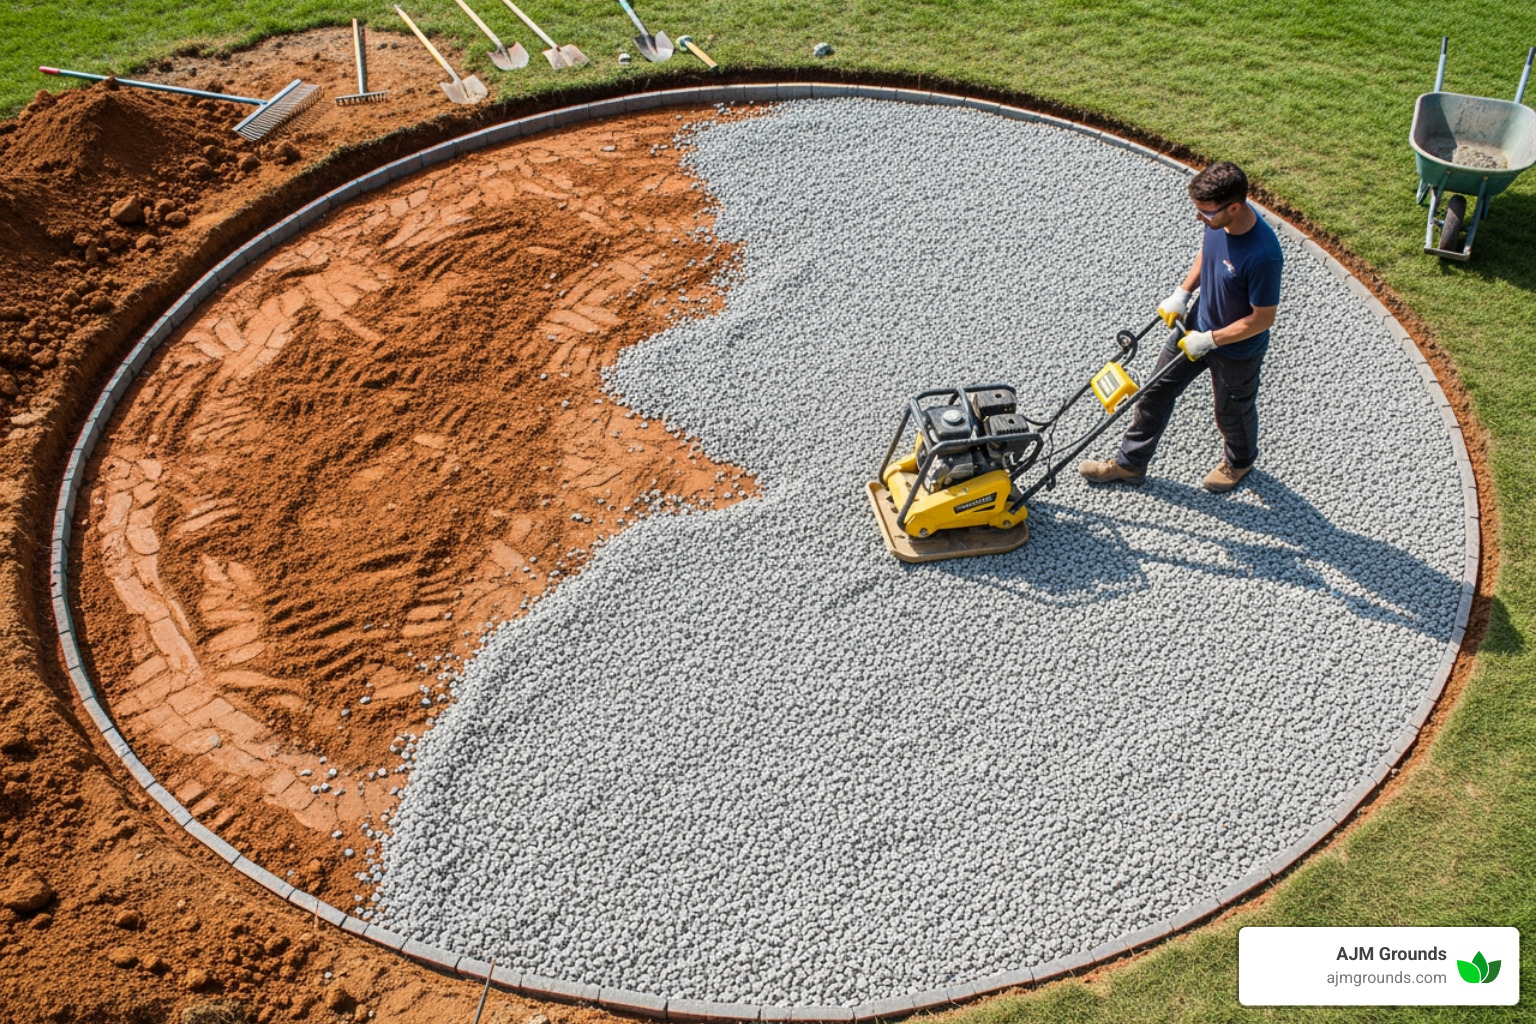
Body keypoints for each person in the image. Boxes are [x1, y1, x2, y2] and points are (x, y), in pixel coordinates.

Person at [1079, 161, 1283, 493]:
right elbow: (1207, 254)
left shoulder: (1263, 255)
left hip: (1236, 350)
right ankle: (1130, 465)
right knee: (1152, 394)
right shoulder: (1219, 224)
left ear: (1233, 207)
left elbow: (1263, 319)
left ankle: (1240, 461)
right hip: (1193, 328)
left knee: (1231, 412)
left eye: (1205, 212)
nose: (1198, 218)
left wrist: (1212, 340)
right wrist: (1183, 292)